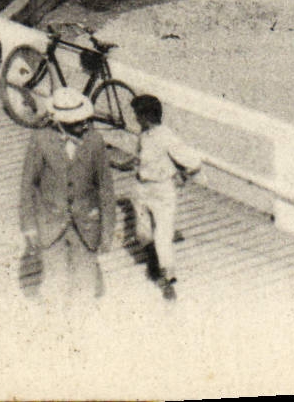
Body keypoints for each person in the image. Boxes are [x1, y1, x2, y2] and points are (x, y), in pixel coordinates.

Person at [18, 87, 117, 304]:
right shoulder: (41, 140)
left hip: (87, 225)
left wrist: (107, 231)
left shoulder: (95, 141)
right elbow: (28, 185)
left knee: (85, 286)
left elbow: (106, 189)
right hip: (51, 224)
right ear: (59, 121)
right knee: (54, 285)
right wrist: (29, 226)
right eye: (75, 122)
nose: (83, 125)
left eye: (84, 120)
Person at [126, 94, 201, 300]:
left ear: (146, 116)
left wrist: (183, 175)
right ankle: (153, 259)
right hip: (142, 188)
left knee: (162, 236)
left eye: (137, 115)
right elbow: (140, 157)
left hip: (162, 191)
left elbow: (194, 162)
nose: (135, 119)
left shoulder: (167, 137)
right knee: (142, 232)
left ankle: (167, 278)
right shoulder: (144, 135)